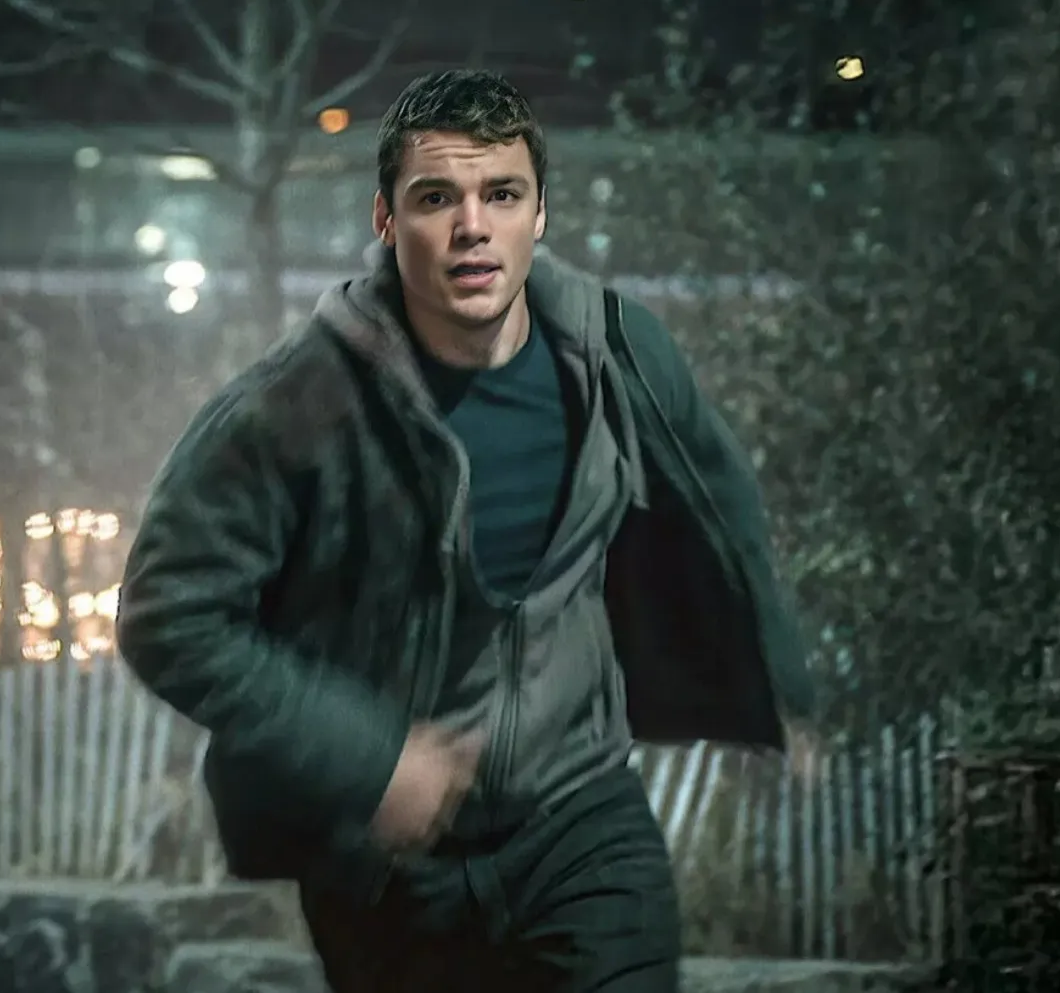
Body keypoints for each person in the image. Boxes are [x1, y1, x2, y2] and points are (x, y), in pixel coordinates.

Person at [116, 69, 819, 993]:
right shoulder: (295, 407)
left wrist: (780, 686)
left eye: (502, 194)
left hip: (579, 810)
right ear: (384, 219)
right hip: (389, 861)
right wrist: (371, 757)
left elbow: (723, 506)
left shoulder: (616, 354)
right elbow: (167, 616)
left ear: (540, 214)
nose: (472, 227)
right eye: (435, 198)